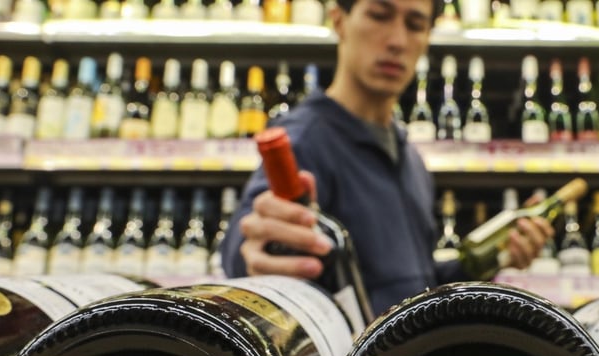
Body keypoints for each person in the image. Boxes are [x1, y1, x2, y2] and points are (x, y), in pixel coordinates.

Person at [221, 0, 554, 316]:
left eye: (415, 24)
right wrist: (251, 251)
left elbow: (413, 284)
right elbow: (250, 238)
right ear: (339, 21)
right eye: (379, 15)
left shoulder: (411, 159)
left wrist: (487, 259)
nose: (397, 40)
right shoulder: (306, 137)